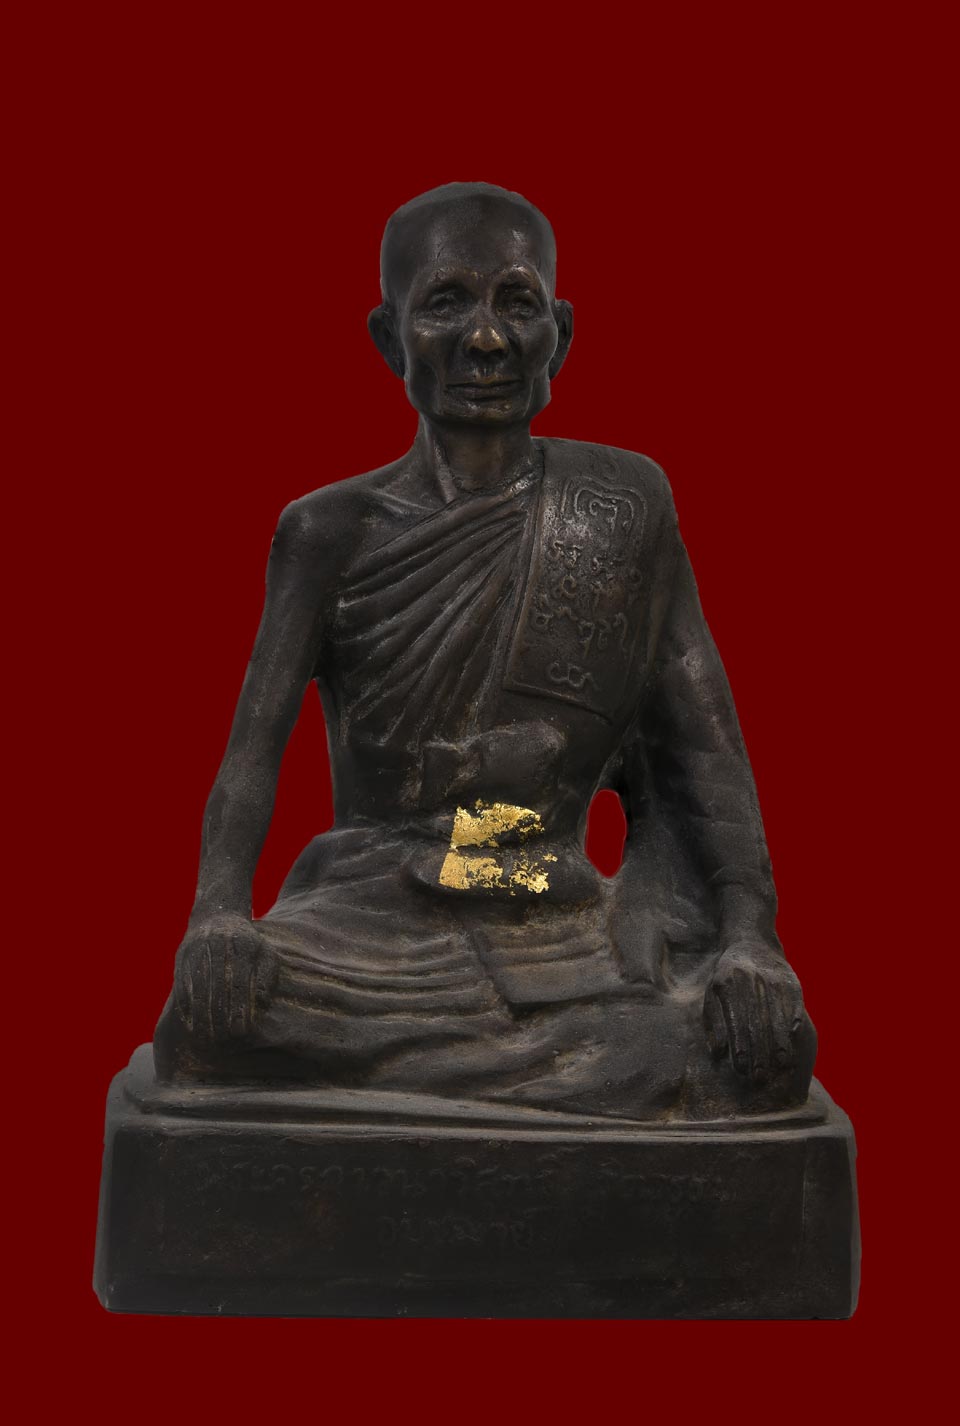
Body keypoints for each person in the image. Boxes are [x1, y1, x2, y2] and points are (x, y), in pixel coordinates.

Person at [154, 182, 816, 1118]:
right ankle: (546, 1088)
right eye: (446, 303)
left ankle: (478, 1088)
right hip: (371, 914)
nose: (487, 339)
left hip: (552, 904)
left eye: (517, 304)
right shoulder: (330, 533)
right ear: (390, 339)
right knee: (213, 1024)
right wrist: (219, 916)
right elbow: (250, 761)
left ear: (561, 335)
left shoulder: (621, 510)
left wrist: (751, 939)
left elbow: (705, 754)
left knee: (755, 1050)